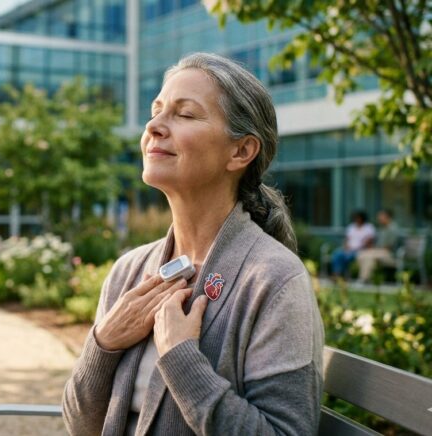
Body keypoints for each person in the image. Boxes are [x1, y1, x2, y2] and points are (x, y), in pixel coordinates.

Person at [62, 53, 324, 435]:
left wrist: (181, 359)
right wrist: (103, 345)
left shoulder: (275, 281)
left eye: (184, 114)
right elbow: (79, 427)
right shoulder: (129, 271)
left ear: (241, 151)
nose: (154, 126)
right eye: (156, 111)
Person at [357, 209, 400, 283]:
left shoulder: (393, 228)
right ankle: (366, 279)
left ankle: (364, 279)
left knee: (368, 256)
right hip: (381, 252)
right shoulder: (383, 228)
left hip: (391, 255)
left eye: (381, 217)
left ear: (387, 217)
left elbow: (389, 247)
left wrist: (375, 250)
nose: (379, 219)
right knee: (362, 255)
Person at [331, 210, 375, 279]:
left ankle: (343, 275)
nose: (356, 219)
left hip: (361, 250)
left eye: (358, 218)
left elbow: (369, 241)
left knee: (347, 257)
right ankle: (337, 274)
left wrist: (358, 247)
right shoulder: (351, 227)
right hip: (349, 249)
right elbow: (347, 239)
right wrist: (346, 247)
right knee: (337, 254)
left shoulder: (368, 227)